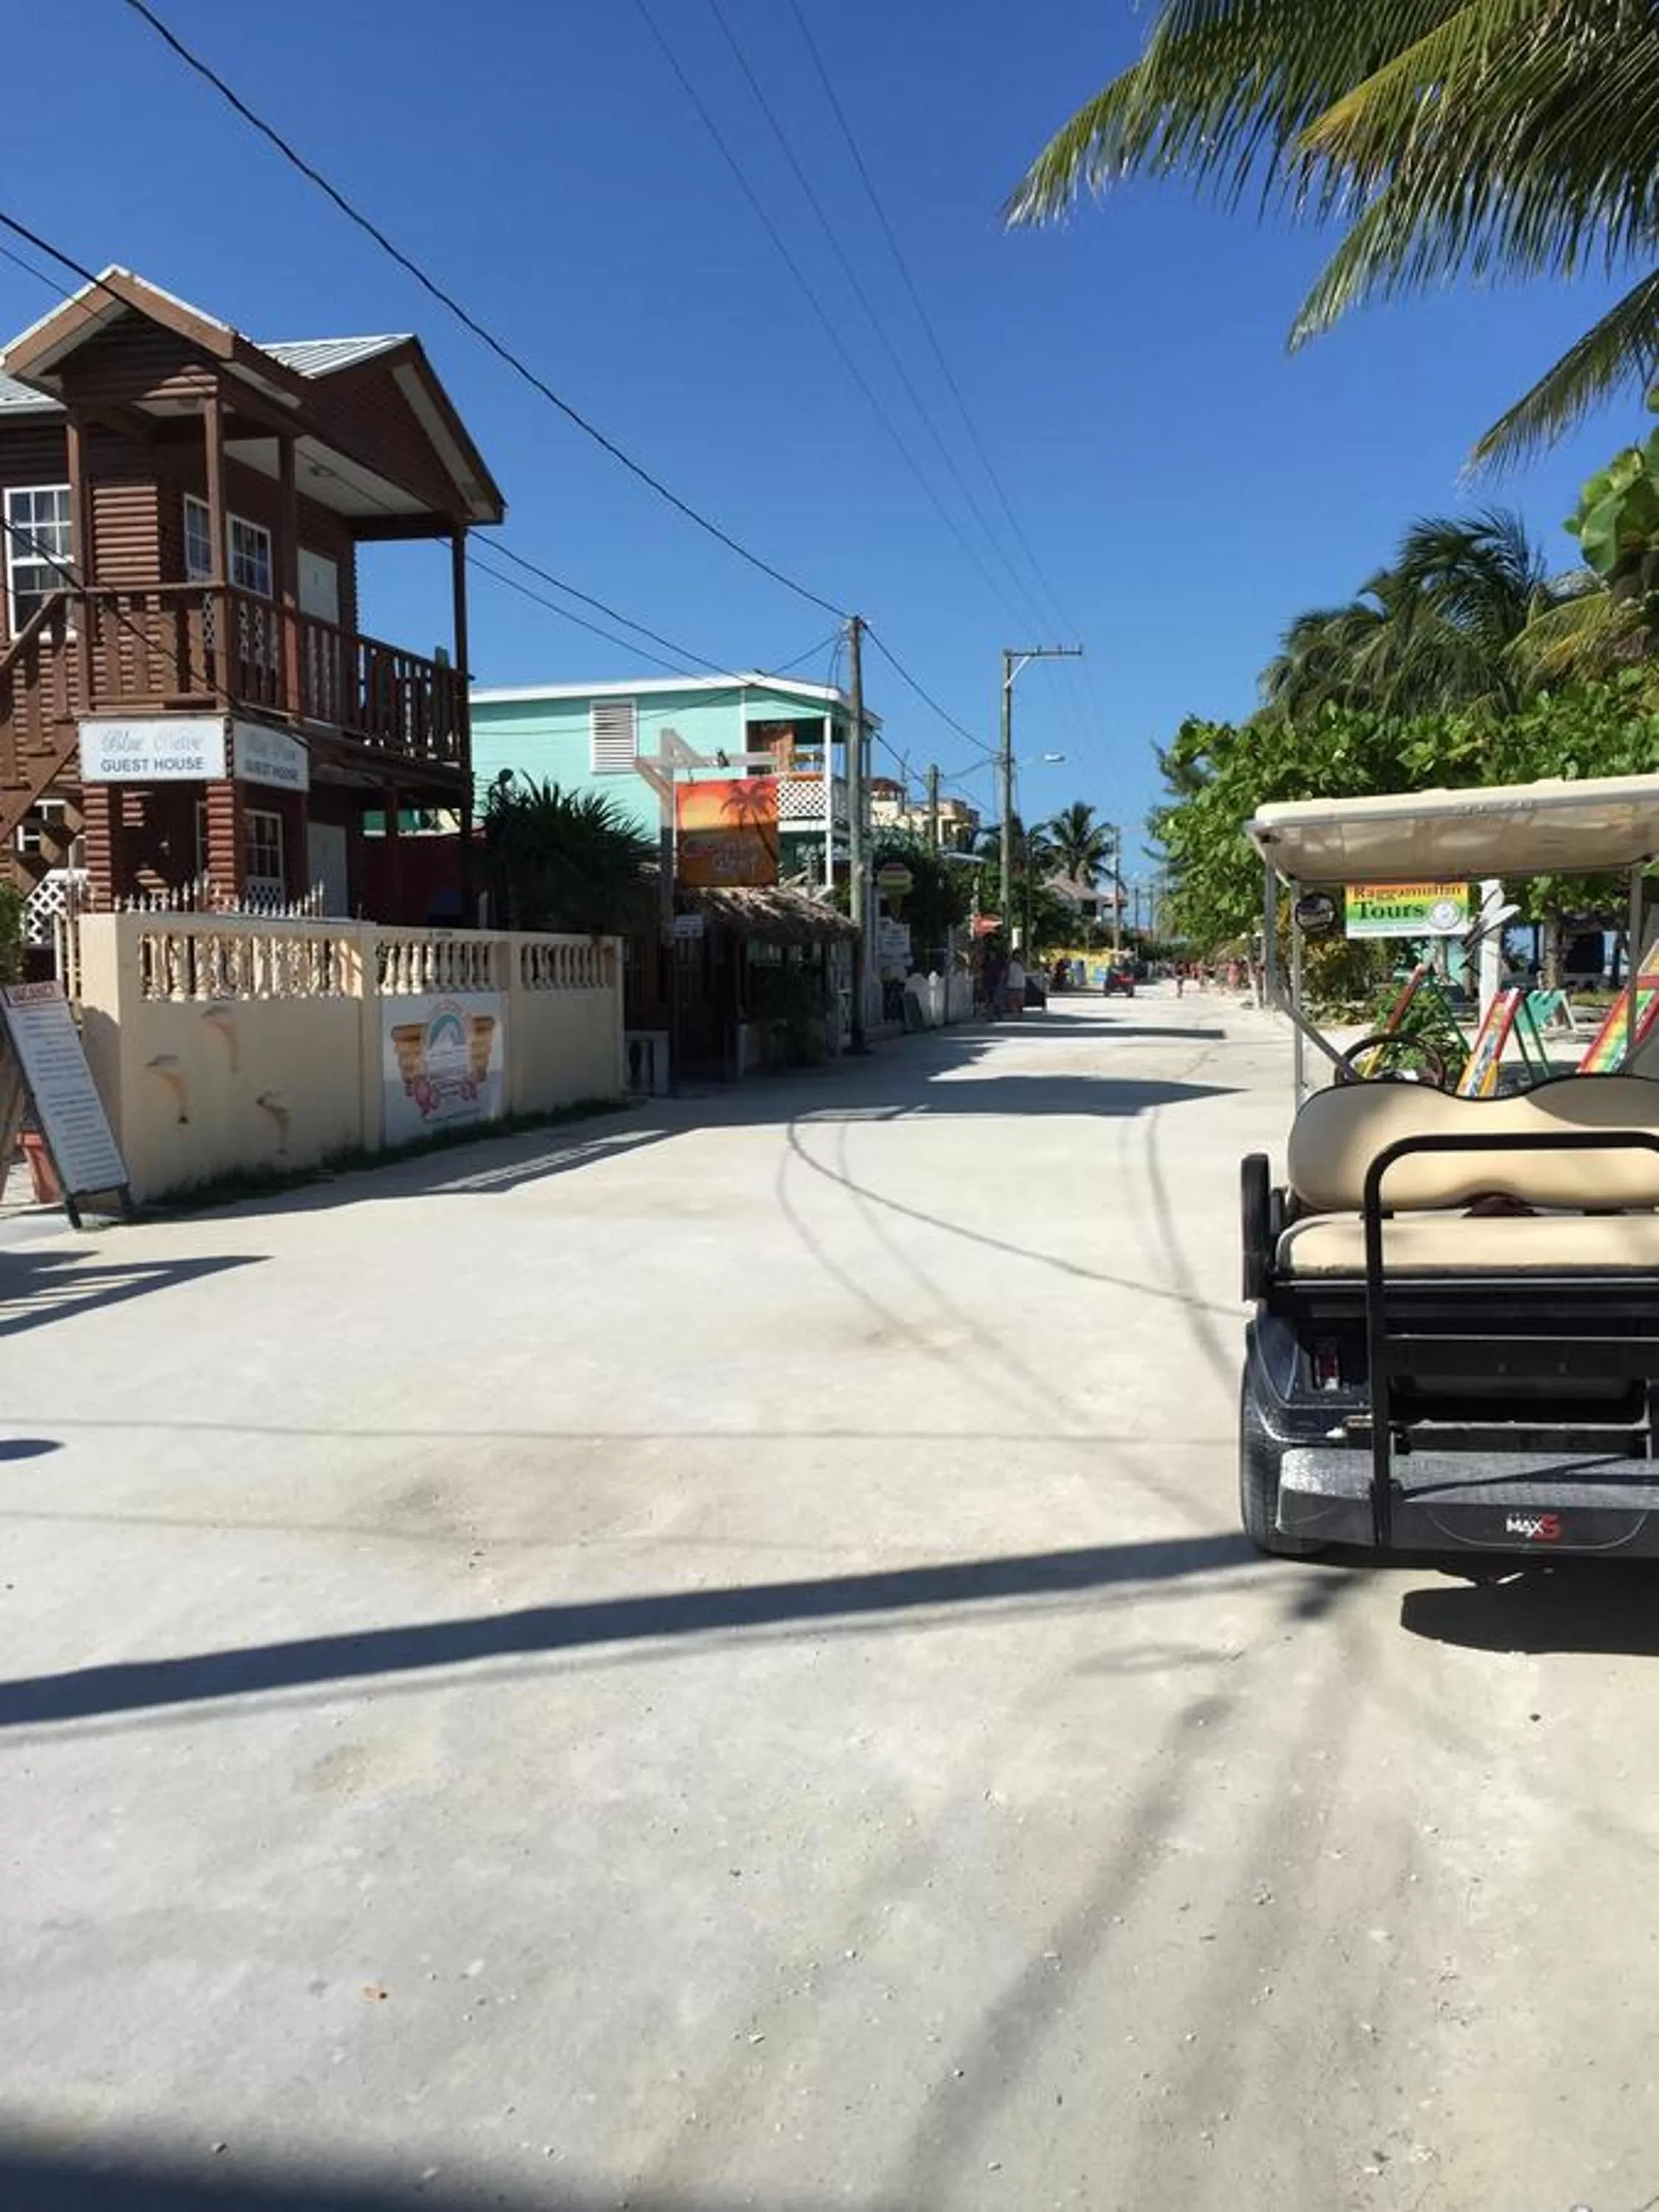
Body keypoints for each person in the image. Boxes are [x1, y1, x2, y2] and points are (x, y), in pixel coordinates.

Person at [1004, 950, 1026, 1020]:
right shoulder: (1009, 963)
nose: (1017, 957)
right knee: (1012, 1000)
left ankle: (1019, 1013)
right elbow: (1007, 972)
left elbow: (1025, 968)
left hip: (1020, 984)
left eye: (1019, 955)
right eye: (1016, 955)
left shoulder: (1022, 963)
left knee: (1020, 1001)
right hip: (1011, 984)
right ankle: (1015, 1014)